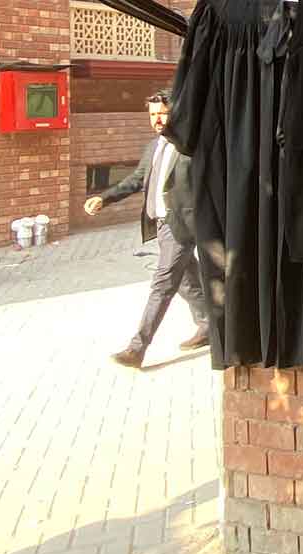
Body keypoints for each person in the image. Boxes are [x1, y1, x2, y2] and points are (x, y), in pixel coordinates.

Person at [84, 90, 209, 369]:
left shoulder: (192, 147)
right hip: (163, 224)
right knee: (187, 281)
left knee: (163, 283)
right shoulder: (154, 147)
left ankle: (137, 348)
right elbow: (137, 179)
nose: (157, 119)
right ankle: (209, 325)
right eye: (153, 115)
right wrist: (104, 198)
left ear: (175, 113)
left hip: (183, 225)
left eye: (162, 113)